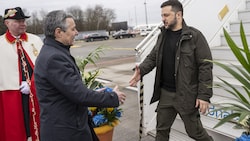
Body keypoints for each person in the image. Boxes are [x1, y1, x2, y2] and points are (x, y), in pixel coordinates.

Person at [34, 10, 126, 141]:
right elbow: (79, 95)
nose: (76, 32)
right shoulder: (54, 58)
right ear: (58, 32)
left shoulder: (54, 52)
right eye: (73, 29)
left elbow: (68, 90)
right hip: (66, 132)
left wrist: (97, 92)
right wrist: (112, 97)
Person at [130, 0, 214, 141]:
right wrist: (141, 70)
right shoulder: (162, 35)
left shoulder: (194, 37)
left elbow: (205, 66)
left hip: (186, 95)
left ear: (179, 15)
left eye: (166, 15)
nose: (163, 19)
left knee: (195, 133)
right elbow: (153, 57)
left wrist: (204, 95)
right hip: (166, 94)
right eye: (162, 15)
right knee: (161, 132)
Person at [0, 7, 43, 141]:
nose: (23, 23)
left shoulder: (35, 40)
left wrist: (33, 84)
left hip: (36, 91)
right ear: (7, 23)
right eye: (18, 21)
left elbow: (44, 66)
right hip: (11, 94)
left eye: (23, 20)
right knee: (16, 128)